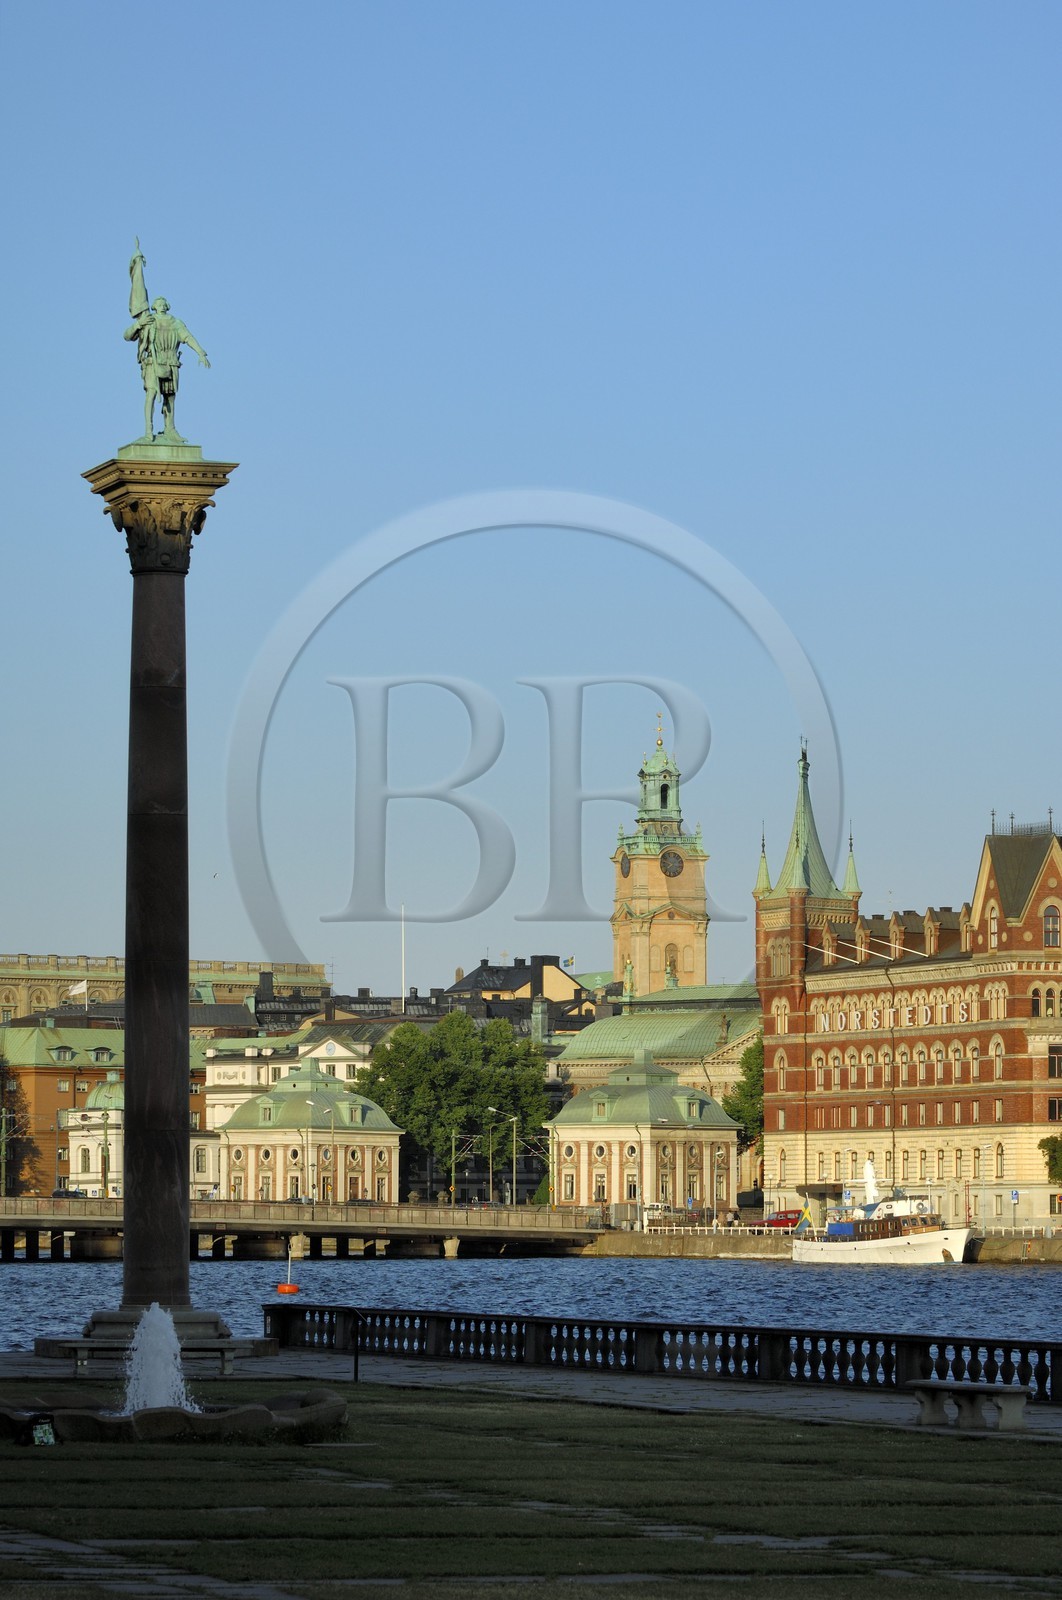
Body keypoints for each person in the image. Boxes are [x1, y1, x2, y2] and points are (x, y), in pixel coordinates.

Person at [125, 296, 210, 443]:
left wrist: (200, 352)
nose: (162, 305)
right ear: (154, 306)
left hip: (171, 362)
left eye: (164, 303)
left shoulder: (175, 323)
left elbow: (188, 337)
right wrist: (139, 323)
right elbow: (127, 336)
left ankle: (170, 429)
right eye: (158, 303)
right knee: (151, 394)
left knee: (170, 396)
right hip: (153, 362)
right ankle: (148, 430)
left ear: (167, 306)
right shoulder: (149, 321)